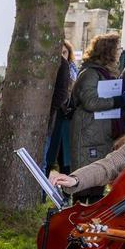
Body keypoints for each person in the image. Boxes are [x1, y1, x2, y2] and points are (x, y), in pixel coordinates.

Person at [66, 32, 125, 199]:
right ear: (108, 51)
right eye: (117, 48)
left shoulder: (104, 72)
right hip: (88, 133)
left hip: (99, 134)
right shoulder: (90, 73)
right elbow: (90, 101)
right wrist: (117, 101)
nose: (120, 51)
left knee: (98, 180)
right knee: (84, 180)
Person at [43, 39, 78, 174]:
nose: (62, 55)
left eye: (65, 52)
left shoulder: (73, 70)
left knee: (65, 159)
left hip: (68, 119)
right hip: (56, 118)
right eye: (60, 52)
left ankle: (65, 191)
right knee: (49, 157)